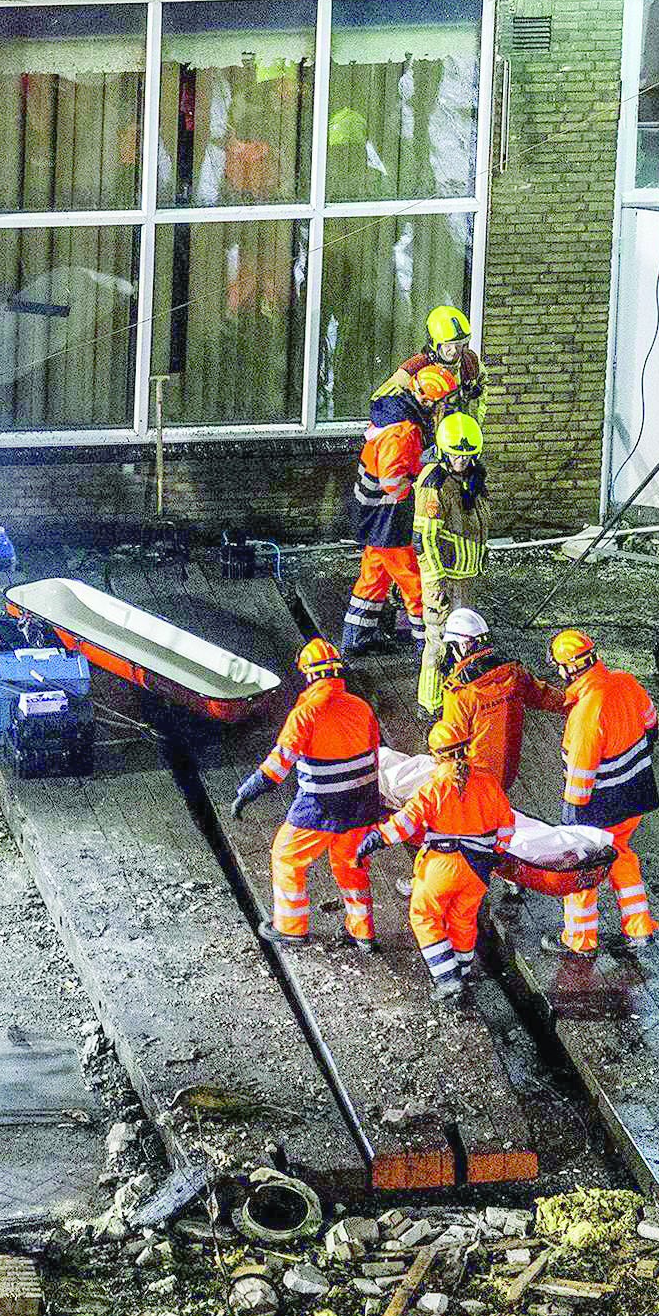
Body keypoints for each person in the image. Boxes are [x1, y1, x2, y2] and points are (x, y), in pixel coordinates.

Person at [232, 638, 381, 950]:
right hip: (362, 803)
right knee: (351, 865)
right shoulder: (362, 708)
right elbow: (374, 756)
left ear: (309, 675)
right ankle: (363, 933)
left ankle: (291, 928)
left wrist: (247, 791)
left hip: (321, 806)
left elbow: (278, 764)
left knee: (286, 857)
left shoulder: (305, 714)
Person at [359, 719, 516, 1007]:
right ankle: (463, 974)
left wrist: (374, 840)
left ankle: (447, 980)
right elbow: (507, 827)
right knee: (463, 920)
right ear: (467, 748)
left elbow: (404, 824)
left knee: (424, 916)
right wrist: (498, 853)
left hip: (441, 865)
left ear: (435, 755)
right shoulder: (489, 783)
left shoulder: (433, 788)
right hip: (478, 869)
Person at [546, 629, 659, 958]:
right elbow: (652, 725)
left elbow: (581, 773)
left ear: (569, 668)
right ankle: (640, 928)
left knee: (581, 866)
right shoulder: (626, 682)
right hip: (635, 795)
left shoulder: (586, 711)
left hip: (600, 805)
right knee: (622, 853)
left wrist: (571, 819)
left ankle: (580, 940)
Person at [343, 364, 455, 654]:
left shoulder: (395, 412)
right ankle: (426, 642)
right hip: (388, 517)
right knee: (414, 578)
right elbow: (393, 482)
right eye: (442, 402)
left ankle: (356, 638)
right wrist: (421, 481)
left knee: (374, 576)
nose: (444, 408)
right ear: (428, 400)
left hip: (373, 514)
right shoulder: (404, 431)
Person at [437, 608, 569, 792]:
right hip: (508, 772)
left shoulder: (459, 692)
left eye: (452, 645)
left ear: (464, 644)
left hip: (475, 777)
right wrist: (576, 704)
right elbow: (545, 696)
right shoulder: (514, 672)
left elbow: (451, 745)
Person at [413, 411, 489, 719]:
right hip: (444, 580)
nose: (462, 461)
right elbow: (424, 540)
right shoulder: (434, 484)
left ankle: (461, 694)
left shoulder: (473, 476)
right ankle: (430, 704)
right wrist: (435, 583)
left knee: (467, 639)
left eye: (468, 456)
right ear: (444, 451)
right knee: (438, 642)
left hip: (468, 575)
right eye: (456, 455)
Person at [372, 305, 485, 416]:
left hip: (462, 431)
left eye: (459, 345)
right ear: (434, 344)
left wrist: (476, 421)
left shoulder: (471, 363)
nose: (454, 350)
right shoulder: (416, 367)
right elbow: (379, 402)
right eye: (448, 345)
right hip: (425, 433)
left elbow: (482, 396)